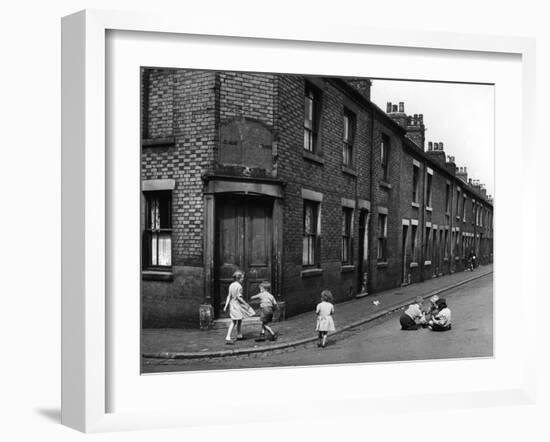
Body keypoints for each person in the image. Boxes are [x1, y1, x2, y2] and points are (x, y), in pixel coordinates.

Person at [223, 270, 255, 344]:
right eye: (242, 278)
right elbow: (239, 297)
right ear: (238, 278)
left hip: (232, 305)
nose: (243, 279)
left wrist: (226, 306)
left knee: (239, 319)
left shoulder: (231, 285)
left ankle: (239, 335)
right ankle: (228, 337)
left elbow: (229, 296)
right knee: (234, 321)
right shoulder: (239, 286)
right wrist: (246, 304)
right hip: (236, 305)